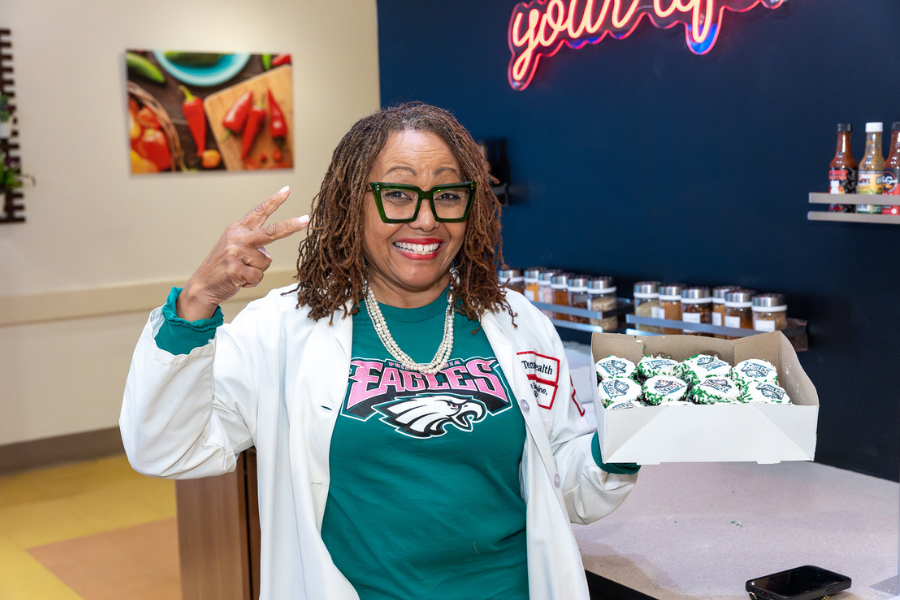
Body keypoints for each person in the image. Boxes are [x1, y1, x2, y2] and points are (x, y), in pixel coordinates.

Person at [121, 102, 638, 600]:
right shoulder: (282, 330)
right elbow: (166, 448)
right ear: (353, 202)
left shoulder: (520, 324)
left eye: (448, 196)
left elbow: (565, 486)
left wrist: (624, 444)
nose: (427, 220)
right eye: (398, 194)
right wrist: (194, 305)